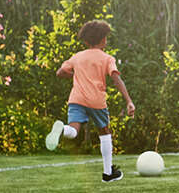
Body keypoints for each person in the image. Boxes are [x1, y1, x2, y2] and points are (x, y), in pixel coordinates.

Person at [45, 19, 136, 182]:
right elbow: (117, 79)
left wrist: (75, 76)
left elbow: (60, 72)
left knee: (73, 131)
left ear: (86, 41)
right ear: (103, 40)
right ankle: (108, 173)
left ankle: (62, 130)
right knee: (105, 133)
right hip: (97, 102)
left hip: (76, 99)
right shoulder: (107, 58)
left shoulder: (77, 56)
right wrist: (129, 101)